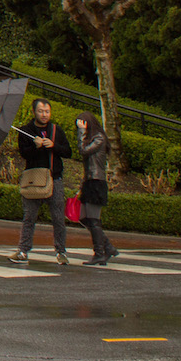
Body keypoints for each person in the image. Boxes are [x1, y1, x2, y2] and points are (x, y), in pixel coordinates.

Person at [9, 98, 72, 265]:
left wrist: (53, 145)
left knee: (58, 217)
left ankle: (61, 252)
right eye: (41, 111)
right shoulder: (25, 131)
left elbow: (68, 152)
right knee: (29, 216)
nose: (44, 115)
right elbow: (24, 153)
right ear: (34, 112)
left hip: (54, 178)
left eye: (47, 112)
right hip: (34, 179)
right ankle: (23, 250)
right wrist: (35, 146)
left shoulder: (56, 131)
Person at [75, 112, 117, 266]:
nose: (80, 127)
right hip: (89, 181)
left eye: (82, 124)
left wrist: (82, 133)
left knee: (93, 219)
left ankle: (100, 252)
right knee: (84, 218)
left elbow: (83, 150)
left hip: (96, 182)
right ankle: (108, 247)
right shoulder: (92, 138)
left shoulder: (98, 138)